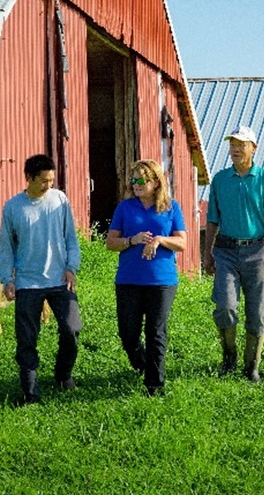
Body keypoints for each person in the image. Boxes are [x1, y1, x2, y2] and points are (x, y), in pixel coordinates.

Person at [203, 125, 264, 382]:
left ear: (253, 148)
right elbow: (212, 220)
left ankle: (252, 366)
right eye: (232, 145)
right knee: (225, 307)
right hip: (226, 251)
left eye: (241, 145)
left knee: (257, 311)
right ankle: (229, 356)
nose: (236, 149)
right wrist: (208, 253)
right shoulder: (220, 180)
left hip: (257, 251)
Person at [0, 154, 82, 406]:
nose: (49, 185)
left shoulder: (60, 201)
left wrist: (71, 268)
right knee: (26, 339)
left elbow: (71, 239)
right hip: (27, 283)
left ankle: (63, 374)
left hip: (59, 280)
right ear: (30, 178)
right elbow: (6, 248)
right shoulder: (13, 207)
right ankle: (30, 392)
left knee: (72, 329)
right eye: (44, 181)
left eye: (52, 180)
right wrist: (6, 279)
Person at [106, 159, 187, 397]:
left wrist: (160, 240)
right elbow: (110, 242)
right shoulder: (125, 207)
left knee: (156, 331)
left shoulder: (171, 207)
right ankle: (142, 364)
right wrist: (133, 240)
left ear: (155, 181)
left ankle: (155, 385)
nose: (136, 184)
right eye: (134, 180)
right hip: (128, 279)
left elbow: (182, 242)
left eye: (142, 180)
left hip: (161, 281)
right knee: (128, 333)